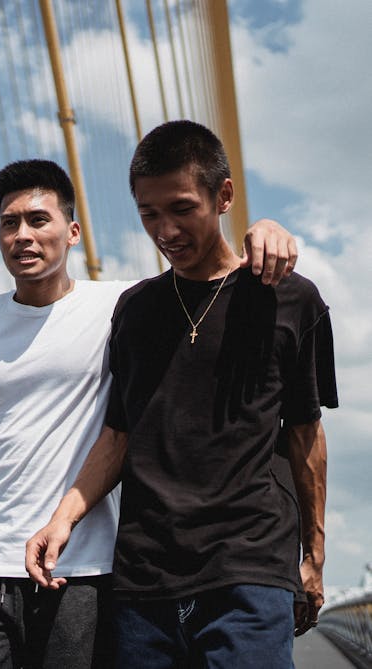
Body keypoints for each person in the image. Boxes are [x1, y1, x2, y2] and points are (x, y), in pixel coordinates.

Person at [0, 157, 298, 669]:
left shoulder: (125, 307)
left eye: (39, 220)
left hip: (85, 570)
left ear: (73, 231)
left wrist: (264, 230)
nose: (23, 235)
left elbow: (208, 278)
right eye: (9, 222)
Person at [26, 122, 338, 669]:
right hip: (144, 583)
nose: (165, 229)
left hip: (249, 571)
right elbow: (120, 434)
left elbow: (305, 435)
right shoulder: (135, 310)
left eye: (181, 208)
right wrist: (64, 517)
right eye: (149, 213)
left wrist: (314, 555)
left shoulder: (290, 300)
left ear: (224, 197)